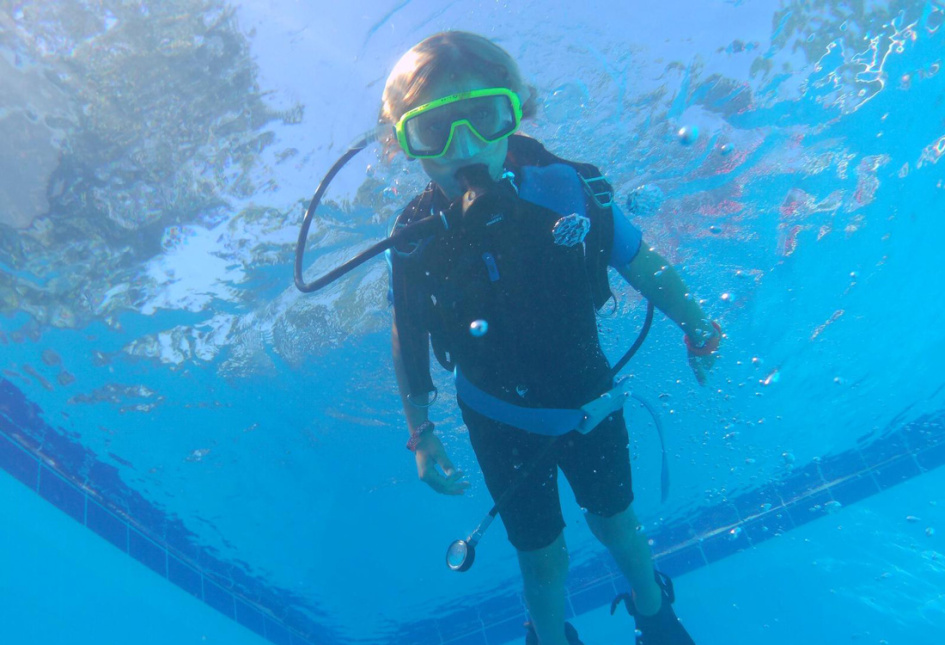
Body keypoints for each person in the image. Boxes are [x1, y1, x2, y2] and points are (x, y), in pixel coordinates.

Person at [381, 31, 720, 645]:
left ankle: (655, 614)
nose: (465, 148)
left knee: (616, 522)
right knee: (542, 557)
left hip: (589, 404)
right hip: (496, 422)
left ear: (517, 112)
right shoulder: (415, 237)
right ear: (404, 143)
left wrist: (698, 324)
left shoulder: (568, 189)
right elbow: (407, 341)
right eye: (435, 131)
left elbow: (644, 264)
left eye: (484, 118)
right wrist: (421, 434)